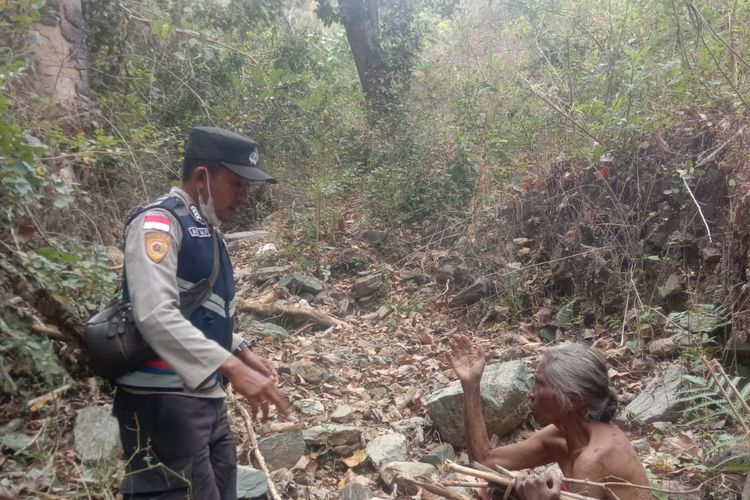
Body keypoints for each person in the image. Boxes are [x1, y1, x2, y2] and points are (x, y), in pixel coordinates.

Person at [112, 126, 292, 500]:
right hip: (162, 403)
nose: (245, 196)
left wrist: (241, 349)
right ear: (201, 177)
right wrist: (233, 367)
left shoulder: (208, 229)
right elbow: (156, 313)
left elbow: (200, 310)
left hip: (204, 398)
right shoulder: (159, 223)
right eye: (237, 183)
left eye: (248, 186)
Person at [448, 334, 653, 500]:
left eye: (540, 383)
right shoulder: (559, 436)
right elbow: (485, 461)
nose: (531, 392)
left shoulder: (593, 460)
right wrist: (471, 385)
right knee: (496, 489)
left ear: (572, 400)